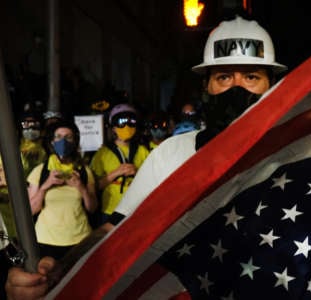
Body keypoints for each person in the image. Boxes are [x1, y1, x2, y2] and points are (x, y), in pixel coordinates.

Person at [5, 16, 287, 299]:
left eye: (251, 76)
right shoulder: (172, 153)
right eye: (223, 77)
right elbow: (114, 230)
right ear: (207, 86)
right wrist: (59, 274)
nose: (236, 87)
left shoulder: (299, 147)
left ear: (271, 84)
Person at [27, 119, 98, 259]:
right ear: (52, 142)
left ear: (74, 141)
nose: (63, 141)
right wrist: (45, 186)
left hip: (79, 239)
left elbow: (92, 208)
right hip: (45, 240)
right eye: (58, 137)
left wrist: (81, 188)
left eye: (68, 137)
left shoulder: (84, 171)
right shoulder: (40, 171)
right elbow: (31, 210)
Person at [90, 103, 150, 224]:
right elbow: (94, 187)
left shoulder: (143, 151)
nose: (126, 126)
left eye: (131, 122)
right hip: (110, 210)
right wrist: (116, 173)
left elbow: (152, 182)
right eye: (121, 122)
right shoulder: (103, 154)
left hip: (136, 208)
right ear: (113, 128)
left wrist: (138, 173)